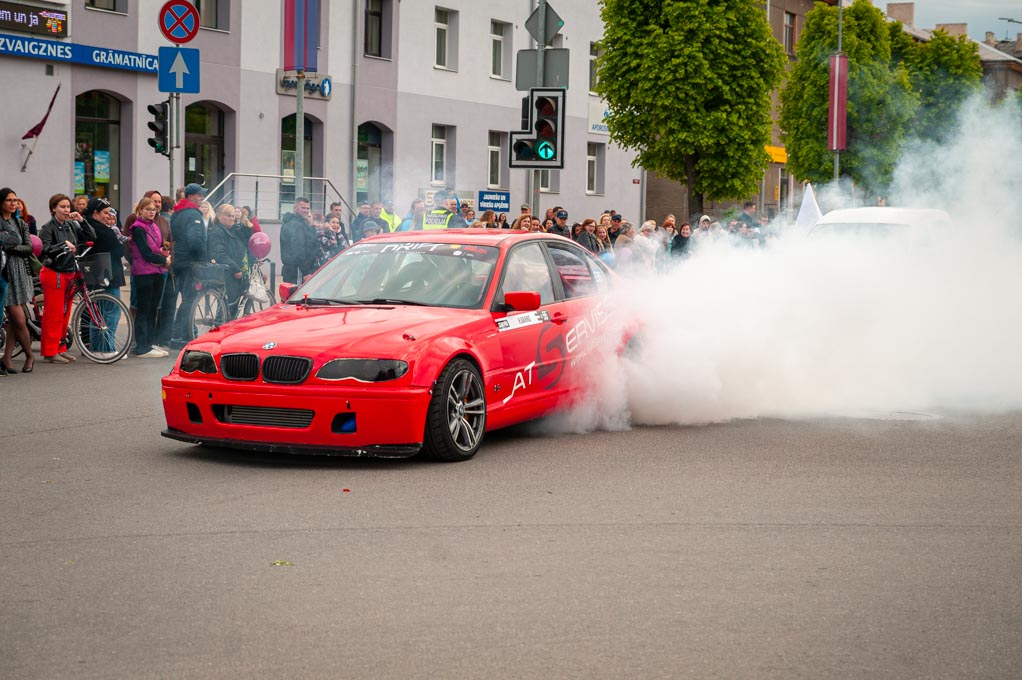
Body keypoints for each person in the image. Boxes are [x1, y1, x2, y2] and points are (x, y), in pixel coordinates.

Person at [38, 192, 95, 364]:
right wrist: (63, 245)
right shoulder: (47, 228)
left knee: (64, 314)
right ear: (53, 209)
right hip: (54, 273)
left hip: (69, 272)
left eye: (68, 206)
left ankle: (60, 348)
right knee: (53, 314)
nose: (66, 210)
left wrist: (82, 220)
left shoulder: (71, 225)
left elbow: (91, 236)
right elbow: (44, 249)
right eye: (62, 206)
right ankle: (50, 351)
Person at [127, 196, 171, 357]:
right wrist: (163, 260)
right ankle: (141, 347)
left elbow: (157, 247)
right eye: (148, 209)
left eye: (153, 209)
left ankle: (149, 343)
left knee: (153, 309)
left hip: (157, 271)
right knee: (144, 309)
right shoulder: (137, 228)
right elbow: (145, 252)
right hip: (144, 273)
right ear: (140, 210)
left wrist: (163, 252)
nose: (151, 212)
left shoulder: (154, 226)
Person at [1, 188, 38, 373]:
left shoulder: (21, 223)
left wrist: (10, 247)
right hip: (4, 271)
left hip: (19, 271)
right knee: (17, 319)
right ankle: (28, 354)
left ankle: (10, 358)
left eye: (15, 200)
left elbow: (28, 248)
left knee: (15, 320)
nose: (14, 203)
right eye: (9, 200)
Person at [169, 183, 208, 349]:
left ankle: (176, 335)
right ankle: (185, 337)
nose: (202, 198)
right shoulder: (193, 214)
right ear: (191, 196)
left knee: (185, 300)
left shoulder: (177, 213)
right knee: (190, 301)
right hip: (190, 262)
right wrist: (204, 258)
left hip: (179, 260)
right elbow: (195, 241)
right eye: (199, 195)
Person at [206, 204, 248, 316]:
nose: (232, 218)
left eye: (233, 216)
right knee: (228, 308)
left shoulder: (232, 231)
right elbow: (219, 254)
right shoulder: (217, 232)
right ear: (220, 216)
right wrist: (235, 269)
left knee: (231, 306)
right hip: (227, 273)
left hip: (233, 272)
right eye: (228, 216)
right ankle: (222, 324)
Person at [280, 196, 317, 283]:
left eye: (308, 208)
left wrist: (311, 225)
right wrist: (306, 272)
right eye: (303, 208)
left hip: (294, 270)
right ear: (295, 208)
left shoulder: (300, 223)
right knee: (298, 291)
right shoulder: (296, 225)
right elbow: (298, 250)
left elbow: (311, 242)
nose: (306, 211)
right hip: (297, 270)